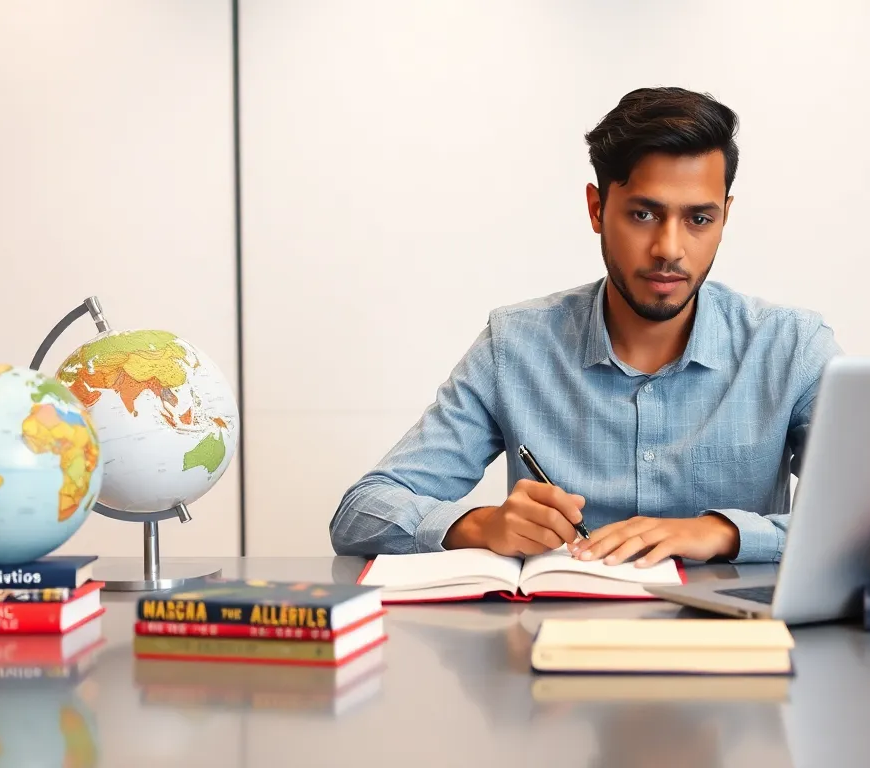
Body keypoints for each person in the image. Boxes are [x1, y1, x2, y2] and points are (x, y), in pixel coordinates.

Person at [329, 86, 841, 565]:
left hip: (735, 645)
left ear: (725, 218)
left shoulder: (791, 348)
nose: (669, 248)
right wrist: (482, 525)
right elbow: (361, 512)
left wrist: (725, 532)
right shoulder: (515, 346)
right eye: (643, 215)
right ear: (598, 208)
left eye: (699, 219)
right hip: (555, 641)